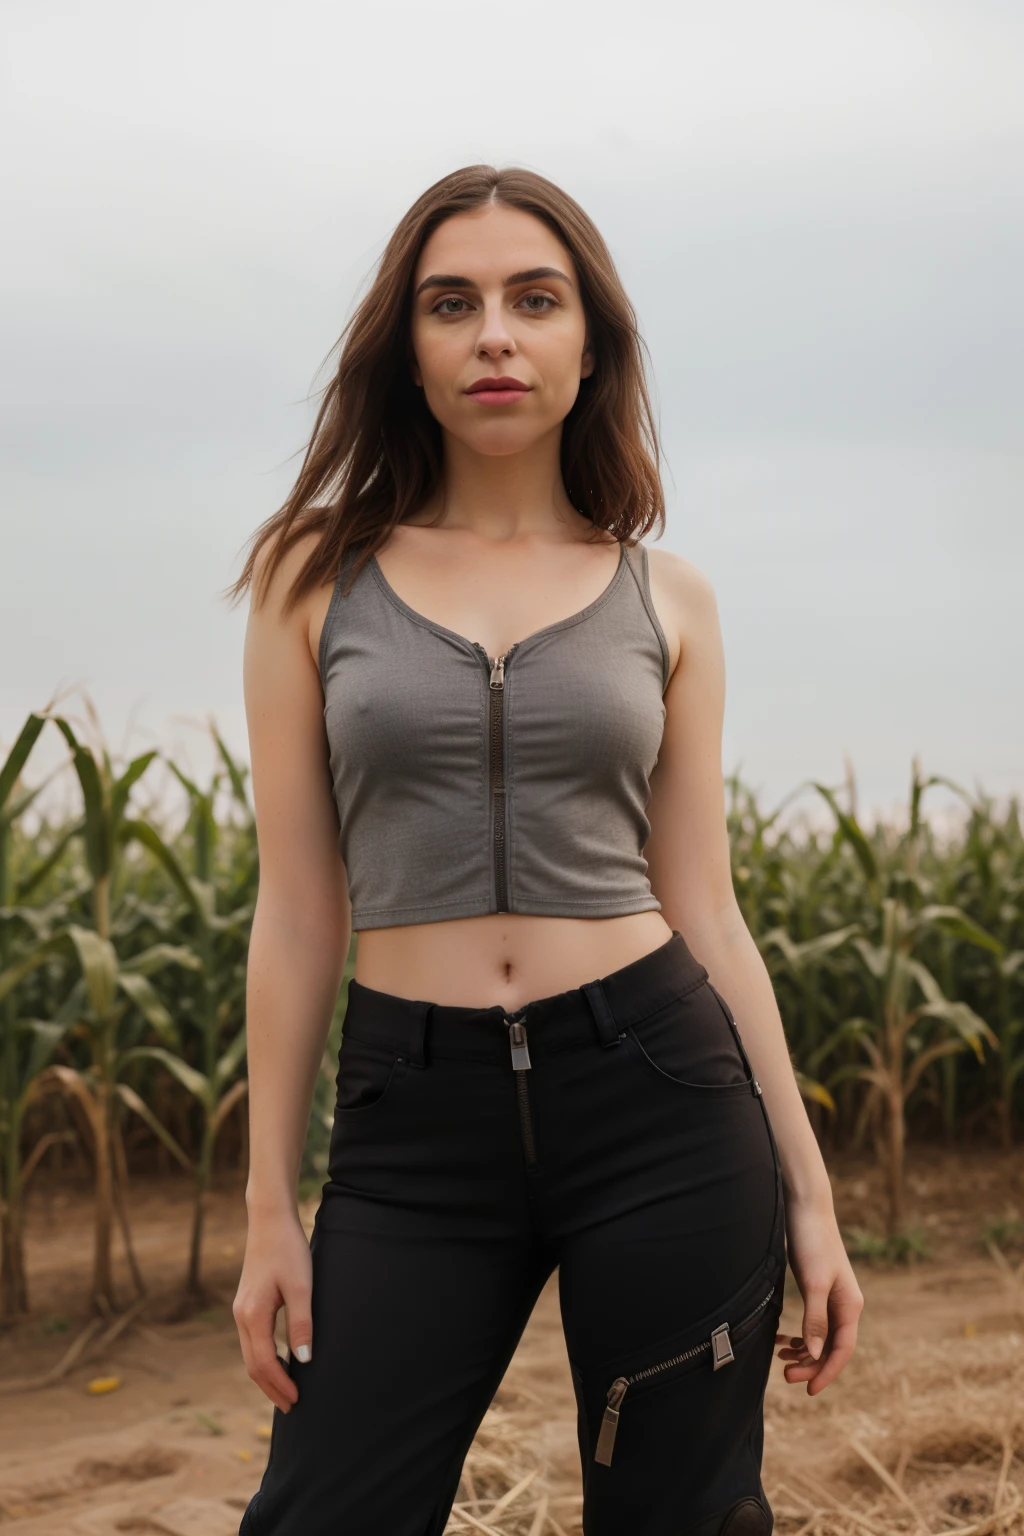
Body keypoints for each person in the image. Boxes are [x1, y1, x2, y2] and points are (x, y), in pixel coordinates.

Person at [228, 164, 864, 1536]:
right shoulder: (309, 577)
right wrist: (270, 1206)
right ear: (408, 350)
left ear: (591, 345)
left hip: (663, 1101)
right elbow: (294, 914)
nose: (495, 335)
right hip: (413, 1123)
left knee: (680, 1518)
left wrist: (811, 1198)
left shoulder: (667, 597)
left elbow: (708, 909)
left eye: (535, 299)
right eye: (451, 304)